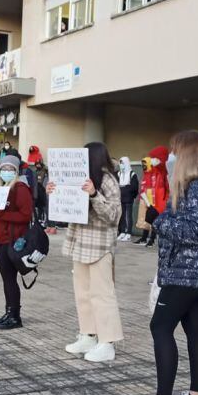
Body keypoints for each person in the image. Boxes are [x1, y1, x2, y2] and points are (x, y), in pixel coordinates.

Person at [129, 131, 198, 395]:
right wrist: (163, 214)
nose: (171, 157)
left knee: (160, 327)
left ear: (187, 155)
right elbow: (192, 224)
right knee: (195, 329)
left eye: (175, 151)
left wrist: (158, 220)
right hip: (193, 271)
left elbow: (197, 231)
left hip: (185, 272)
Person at [48, 142, 123, 362]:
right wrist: (54, 192)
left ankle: (107, 342)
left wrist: (93, 195)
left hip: (100, 245)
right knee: (83, 293)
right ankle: (88, 334)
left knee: (102, 295)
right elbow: (65, 209)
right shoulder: (77, 177)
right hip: (80, 243)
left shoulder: (108, 180)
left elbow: (114, 215)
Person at [0, 153, 34, 330]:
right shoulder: (2, 187)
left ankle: (15, 316)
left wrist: (0, 214)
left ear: (16, 171)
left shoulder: (20, 188)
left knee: (9, 279)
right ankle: (9, 312)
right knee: (6, 279)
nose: (6, 171)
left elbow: (25, 215)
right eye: (3, 168)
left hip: (11, 240)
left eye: (10, 168)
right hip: (0, 239)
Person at [134, 146, 168, 246]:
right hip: (148, 199)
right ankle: (145, 238)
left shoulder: (159, 173)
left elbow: (160, 188)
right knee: (147, 219)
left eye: (154, 158)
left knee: (154, 220)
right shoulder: (150, 173)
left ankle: (151, 239)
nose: (152, 161)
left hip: (156, 201)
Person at [116, 157, 140, 241]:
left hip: (129, 199)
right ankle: (122, 231)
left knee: (128, 216)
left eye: (123, 163)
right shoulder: (119, 174)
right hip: (120, 198)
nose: (121, 165)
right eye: (120, 163)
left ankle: (128, 233)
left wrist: (130, 194)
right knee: (121, 216)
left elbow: (135, 187)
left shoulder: (132, 174)